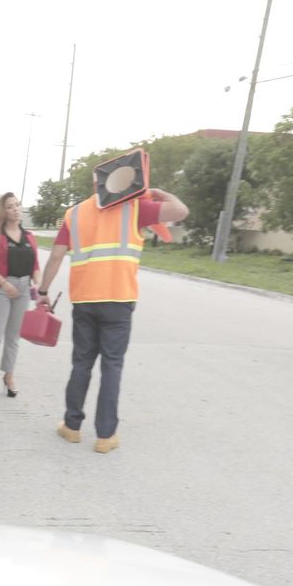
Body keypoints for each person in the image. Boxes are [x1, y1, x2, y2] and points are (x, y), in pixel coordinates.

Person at [35, 180, 188, 451]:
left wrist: (44, 290)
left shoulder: (76, 213)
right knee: (112, 366)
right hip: (118, 299)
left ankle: (71, 427)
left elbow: (57, 256)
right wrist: (158, 192)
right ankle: (105, 437)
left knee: (81, 363)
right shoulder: (135, 207)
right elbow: (180, 211)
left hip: (84, 300)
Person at [0, 192, 40, 405]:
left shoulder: (29, 237)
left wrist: (38, 283)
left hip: (23, 289)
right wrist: (5, 284)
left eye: (17, 205)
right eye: (10, 206)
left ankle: (8, 375)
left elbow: (35, 265)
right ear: (3, 211)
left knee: (13, 337)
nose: (15, 209)